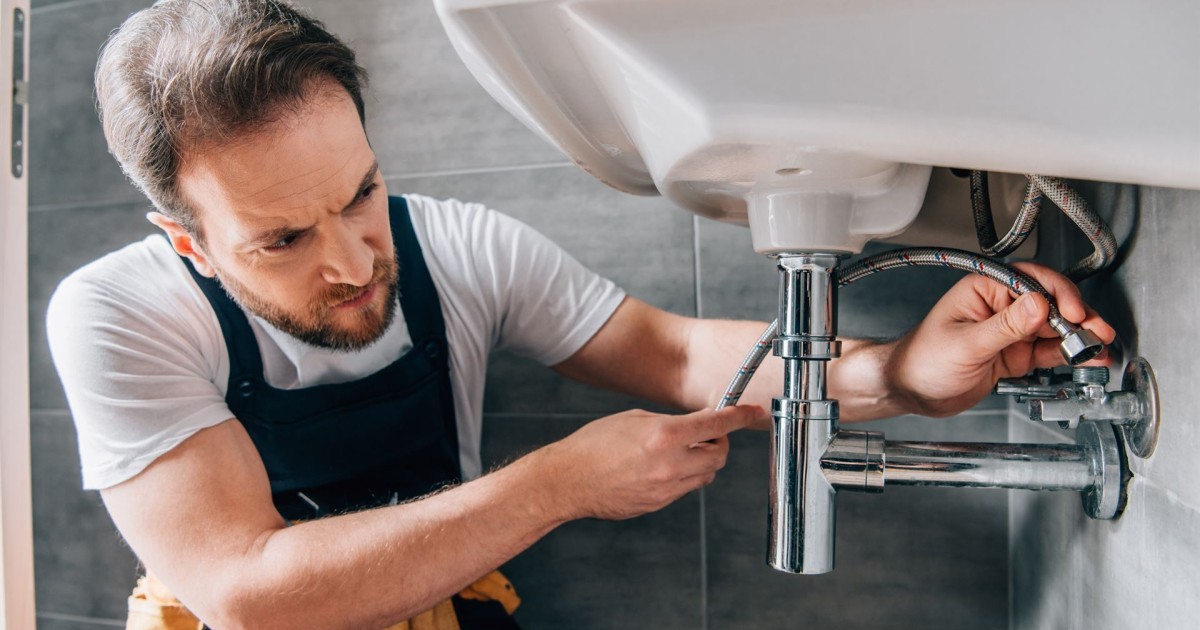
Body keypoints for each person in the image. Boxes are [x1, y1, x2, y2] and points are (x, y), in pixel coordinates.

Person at [46, 1, 1115, 628]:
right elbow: (245, 590)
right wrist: (557, 485)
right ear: (184, 238)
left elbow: (677, 353)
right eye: (282, 240)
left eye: (362, 193)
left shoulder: (454, 246)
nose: (353, 261)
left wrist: (901, 374)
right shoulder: (116, 313)